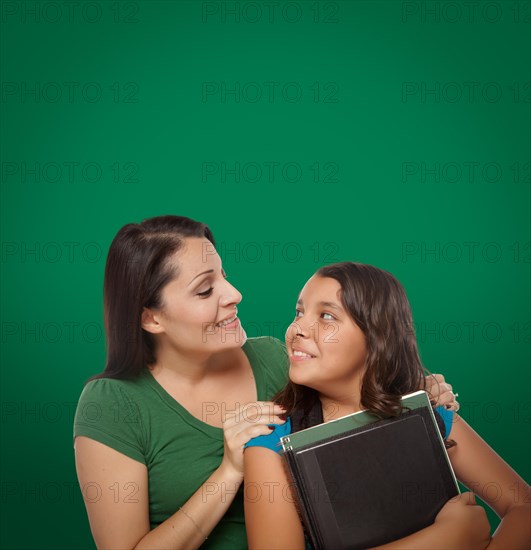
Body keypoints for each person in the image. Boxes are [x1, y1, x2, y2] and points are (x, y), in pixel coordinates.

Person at [74, 215, 461, 550]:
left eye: (224, 276)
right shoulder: (112, 404)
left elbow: (361, 411)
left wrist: (415, 387)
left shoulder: (278, 359)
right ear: (151, 319)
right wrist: (229, 471)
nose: (235, 295)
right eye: (206, 290)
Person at [244, 262, 530, 549]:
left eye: (327, 316)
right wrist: (445, 539)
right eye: (299, 312)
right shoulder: (271, 441)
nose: (297, 329)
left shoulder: (428, 413)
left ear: (376, 337)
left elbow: (524, 508)